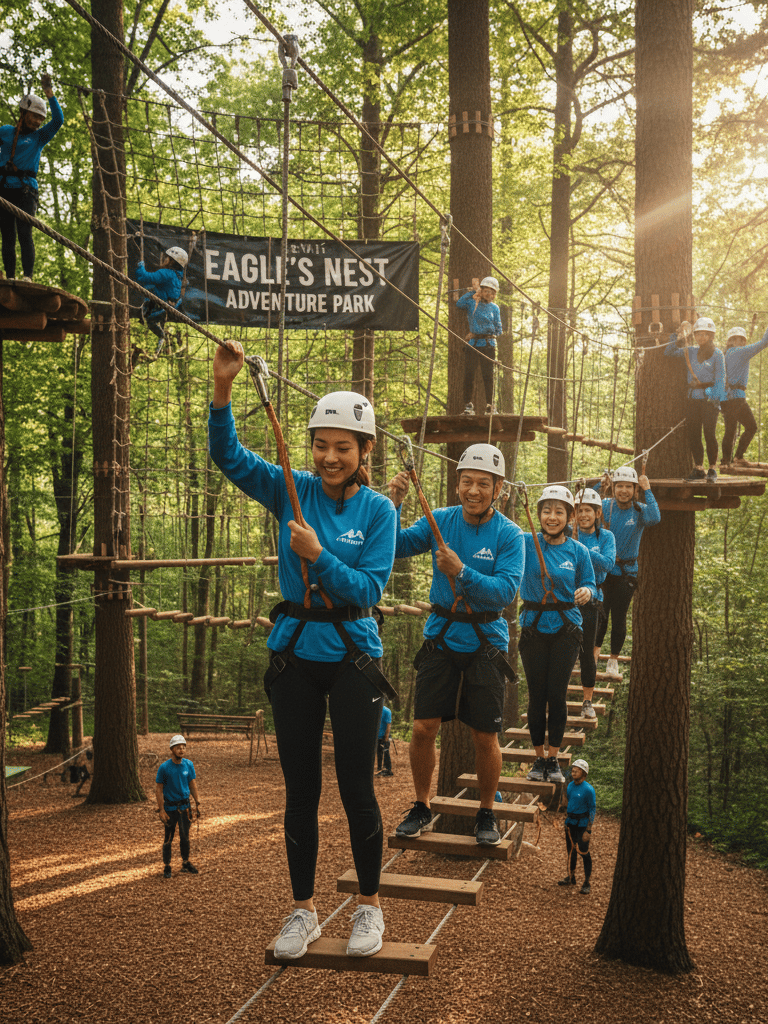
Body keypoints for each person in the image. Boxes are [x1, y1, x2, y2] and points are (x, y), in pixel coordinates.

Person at [208, 340, 397, 960]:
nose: (329, 456)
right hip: (294, 654)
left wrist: (320, 555)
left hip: (351, 654)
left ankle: (369, 906)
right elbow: (229, 457)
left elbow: (368, 587)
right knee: (300, 791)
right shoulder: (290, 488)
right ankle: (302, 911)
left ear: (365, 452)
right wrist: (223, 389)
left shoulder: (379, 512)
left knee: (356, 789)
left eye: (343, 447)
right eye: (321, 444)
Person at [389, 444, 525, 846]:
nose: (474, 490)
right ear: (457, 484)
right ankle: (421, 805)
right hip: (442, 635)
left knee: (485, 734)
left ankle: (487, 811)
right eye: (467, 482)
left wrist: (461, 571)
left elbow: (505, 592)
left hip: (485, 640)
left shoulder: (509, 534)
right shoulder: (441, 520)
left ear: (498, 489)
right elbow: (394, 546)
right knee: (422, 728)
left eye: (483, 484)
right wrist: (394, 503)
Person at [519, 487, 596, 784]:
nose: (552, 517)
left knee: (557, 694)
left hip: (566, 629)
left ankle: (554, 757)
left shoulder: (578, 551)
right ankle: (539, 757)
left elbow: (590, 581)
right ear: (538, 514)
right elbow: (500, 532)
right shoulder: (526, 543)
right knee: (537, 694)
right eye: (546, 511)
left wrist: (588, 591)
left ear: (570, 517)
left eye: (559, 511)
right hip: (533, 627)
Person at [595, 466, 660, 677]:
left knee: (619, 616)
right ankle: (594, 656)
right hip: (604, 571)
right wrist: (601, 483)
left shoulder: (640, 510)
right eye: (619, 486)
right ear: (614, 488)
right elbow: (583, 504)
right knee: (600, 615)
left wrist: (647, 489)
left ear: (635, 489)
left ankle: (613, 660)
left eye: (628, 487)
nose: (623, 491)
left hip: (627, 572)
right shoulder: (605, 507)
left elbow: (655, 517)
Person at [0, 75, 63, 281]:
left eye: (40, 119)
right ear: (24, 113)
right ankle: (10, 276)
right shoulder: (6, 132)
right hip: (4, 189)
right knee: (7, 236)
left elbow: (58, 120)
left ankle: (27, 276)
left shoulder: (39, 137)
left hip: (26, 191)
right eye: (34, 116)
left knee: (25, 234)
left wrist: (49, 92)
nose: (37, 122)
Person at [572, 488, 615, 719]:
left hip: (592, 600)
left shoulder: (606, 537)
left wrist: (581, 549)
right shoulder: (567, 532)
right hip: (566, 600)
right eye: (579, 510)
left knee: (587, 652)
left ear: (597, 513)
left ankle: (587, 701)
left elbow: (608, 564)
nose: (583, 515)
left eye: (587, 510)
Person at [665, 317, 725, 482]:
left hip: (709, 400)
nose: (701, 337)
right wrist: (677, 336)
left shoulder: (717, 354)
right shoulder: (689, 351)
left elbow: (720, 380)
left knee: (709, 434)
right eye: (698, 334)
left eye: (705, 334)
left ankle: (712, 468)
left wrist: (714, 399)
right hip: (693, 398)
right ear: (695, 335)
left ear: (711, 335)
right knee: (694, 434)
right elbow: (668, 352)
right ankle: (699, 467)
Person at [720, 324, 768, 468]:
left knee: (731, 429)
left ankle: (727, 461)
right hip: (735, 397)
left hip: (728, 398)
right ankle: (737, 458)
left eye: (742, 340)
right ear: (731, 341)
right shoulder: (738, 352)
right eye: (737, 339)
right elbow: (764, 343)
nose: (740, 342)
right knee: (751, 427)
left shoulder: (727, 353)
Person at [155, 734, 201, 880]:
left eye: (183, 747)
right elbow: (159, 789)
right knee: (168, 838)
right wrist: (161, 809)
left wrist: (197, 801)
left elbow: (192, 783)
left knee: (185, 837)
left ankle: (185, 863)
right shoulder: (164, 768)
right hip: (170, 808)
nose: (181, 750)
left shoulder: (189, 765)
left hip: (185, 807)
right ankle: (167, 865)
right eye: (178, 747)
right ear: (172, 749)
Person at [456, 276, 502, 415]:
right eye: (486, 291)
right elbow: (459, 303)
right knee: (469, 374)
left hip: (488, 344)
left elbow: (499, 328)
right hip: (473, 344)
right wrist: (473, 292)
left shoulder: (495, 308)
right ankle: (468, 405)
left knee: (488, 376)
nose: (489, 294)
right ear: (481, 291)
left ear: (495, 295)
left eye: (492, 292)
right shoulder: (472, 303)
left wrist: (487, 331)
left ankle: (490, 405)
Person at [134, 244, 188, 355]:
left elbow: (143, 277)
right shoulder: (178, 276)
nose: (164, 259)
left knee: (149, 318)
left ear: (172, 261)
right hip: (168, 308)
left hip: (158, 308)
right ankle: (161, 335)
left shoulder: (166, 274)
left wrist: (140, 266)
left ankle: (161, 335)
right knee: (150, 319)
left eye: (166, 258)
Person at [558, 758, 595, 894]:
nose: (573, 771)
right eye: (573, 769)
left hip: (582, 825)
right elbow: (569, 803)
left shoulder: (588, 790)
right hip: (570, 823)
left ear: (584, 773)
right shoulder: (570, 786)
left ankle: (586, 882)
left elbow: (592, 809)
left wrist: (588, 830)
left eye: (577, 770)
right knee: (571, 851)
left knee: (584, 853)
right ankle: (571, 876)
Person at [376, 700, 393, 776]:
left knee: (386, 751)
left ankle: (388, 769)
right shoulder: (375, 710)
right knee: (379, 752)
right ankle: (379, 768)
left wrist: (386, 738)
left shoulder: (386, 711)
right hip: (377, 736)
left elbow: (388, 725)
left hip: (384, 736)